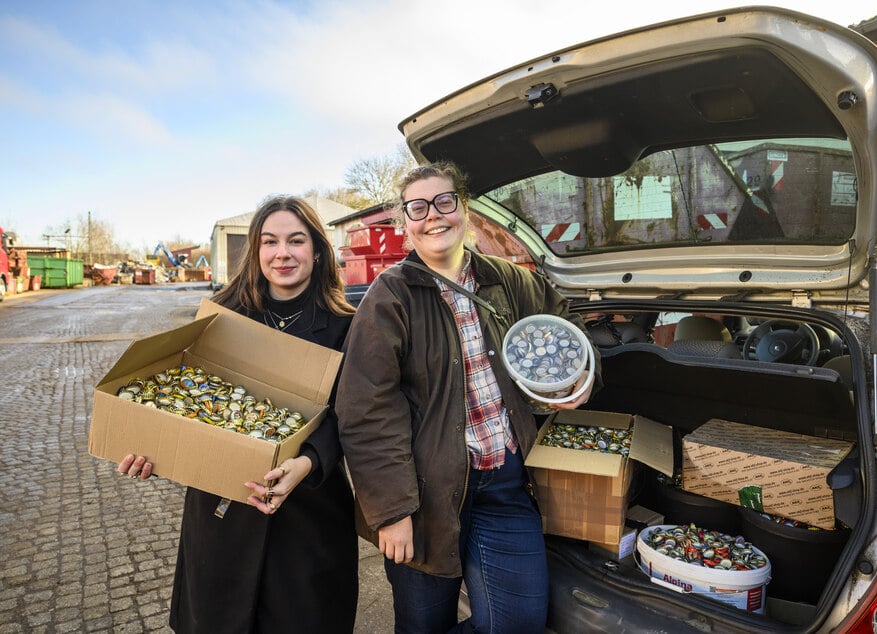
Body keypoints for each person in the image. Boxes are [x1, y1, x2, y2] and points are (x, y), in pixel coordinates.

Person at [336, 161, 600, 634]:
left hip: (504, 486)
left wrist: (577, 379)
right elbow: (365, 410)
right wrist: (393, 511)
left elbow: (567, 332)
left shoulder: (511, 280)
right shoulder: (388, 297)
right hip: (425, 498)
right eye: (418, 207)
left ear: (464, 207)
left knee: (518, 624)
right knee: (423, 626)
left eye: (444, 201)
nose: (433, 215)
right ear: (404, 223)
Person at [118, 195, 358, 633]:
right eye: (269, 241)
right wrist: (153, 447)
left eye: (296, 240)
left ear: (318, 250)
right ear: (256, 249)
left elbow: (355, 417)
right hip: (223, 513)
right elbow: (193, 404)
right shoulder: (223, 315)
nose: (282, 253)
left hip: (309, 515)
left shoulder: (348, 325)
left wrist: (307, 461)